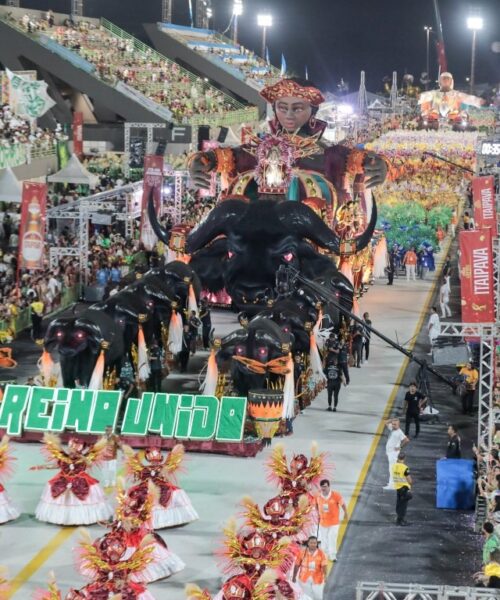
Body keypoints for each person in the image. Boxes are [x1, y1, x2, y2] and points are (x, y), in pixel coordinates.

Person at [35, 434, 112, 525]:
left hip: (80, 480)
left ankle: (80, 518)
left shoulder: (84, 459)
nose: (70, 450)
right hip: (63, 479)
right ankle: (63, 518)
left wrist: (82, 457)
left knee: (83, 497)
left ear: (79, 449)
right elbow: (56, 465)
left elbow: (89, 463)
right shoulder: (63, 458)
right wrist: (41, 467)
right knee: (60, 497)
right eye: (70, 448)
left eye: (73, 448)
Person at [315, 479, 347, 562]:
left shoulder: (336, 495)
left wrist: (346, 513)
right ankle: (324, 555)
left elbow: (343, 504)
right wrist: (317, 513)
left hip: (334, 522)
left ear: (329, 486)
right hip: (323, 522)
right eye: (322, 487)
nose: (323, 489)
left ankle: (332, 555)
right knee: (324, 539)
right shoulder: (318, 495)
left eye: (325, 487)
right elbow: (316, 504)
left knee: (332, 538)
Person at [293, 536, 328, 600]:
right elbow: (297, 565)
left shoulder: (321, 553)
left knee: (318, 597)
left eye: (314, 543)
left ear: (317, 544)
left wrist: (325, 576)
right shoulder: (302, 553)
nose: (313, 544)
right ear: (308, 543)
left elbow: (324, 565)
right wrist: (294, 576)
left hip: (318, 579)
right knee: (307, 597)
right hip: (304, 579)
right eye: (311, 543)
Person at [384, 418, 409, 490]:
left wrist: (400, 447)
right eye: (393, 424)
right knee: (391, 468)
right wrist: (392, 419)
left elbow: (406, 440)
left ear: (398, 425)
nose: (393, 425)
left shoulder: (399, 432)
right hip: (389, 452)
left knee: (391, 468)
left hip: (393, 453)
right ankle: (391, 483)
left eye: (395, 424)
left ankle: (392, 485)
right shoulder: (392, 429)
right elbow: (385, 422)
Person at [393, 452, 412, 526]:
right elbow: (409, 480)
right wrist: (410, 486)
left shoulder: (394, 466)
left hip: (397, 487)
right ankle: (401, 520)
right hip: (404, 487)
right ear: (404, 458)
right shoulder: (405, 468)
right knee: (403, 505)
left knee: (399, 503)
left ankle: (399, 518)